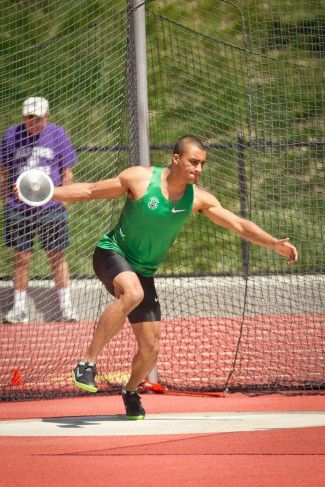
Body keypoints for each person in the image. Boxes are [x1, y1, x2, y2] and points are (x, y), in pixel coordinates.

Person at [50, 135, 298, 420]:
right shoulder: (140, 179)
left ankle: (130, 392)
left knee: (151, 349)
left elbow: (239, 224)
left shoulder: (198, 199)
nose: (199, 169)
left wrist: (273, 243)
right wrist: (49, 193)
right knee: (132, 294)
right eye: (194, 162)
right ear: (176, 159)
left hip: (144, 270)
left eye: (203, 163)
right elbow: (90, 190)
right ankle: (87, 364)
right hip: (112, 253)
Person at [1, 96, 79, 324]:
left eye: (37, 117)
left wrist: (66, 200)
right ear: (23, 117)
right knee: (21, 257)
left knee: (56, 255)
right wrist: (5, 199)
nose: (32, 121)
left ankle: (66, 307)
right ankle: (19, 308)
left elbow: (67, 172)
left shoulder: (57, 134)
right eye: (28, 117)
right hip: (18, 207)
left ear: (46, 117)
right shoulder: (11, 135)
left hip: (51, 206)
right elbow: (4, 171)